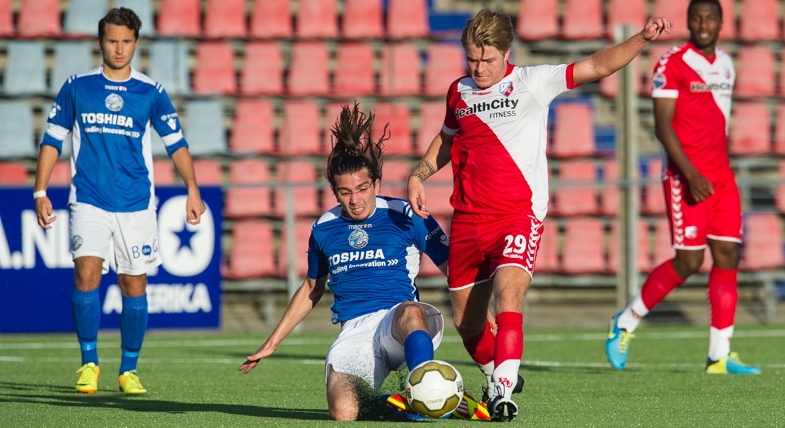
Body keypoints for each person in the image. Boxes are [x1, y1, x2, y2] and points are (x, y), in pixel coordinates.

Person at [407, 9, 674, 422]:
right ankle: (500, 371)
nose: (479, 68)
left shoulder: (532, 81)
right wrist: (418, 175)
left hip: (517, 215)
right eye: (472, 60)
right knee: (467, 321)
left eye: (488, 60)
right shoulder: (457, 92)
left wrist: (641, 37)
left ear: (506, 52)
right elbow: (445, 142)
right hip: (468, 219)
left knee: (509, 295)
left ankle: (501, 392)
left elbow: (598, 65)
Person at [239, 103, 452, 421]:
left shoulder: (406, 214)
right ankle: (408, 405)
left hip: (401, 321)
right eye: (345, 192)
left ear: (376, 184)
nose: (355, 199)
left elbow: (454, 268)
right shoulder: (323, 228)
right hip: (354, 329)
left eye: (363, 188)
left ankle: (424, 381)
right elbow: (312, 287)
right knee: (343, 411)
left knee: (409, 310)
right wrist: (272, 342)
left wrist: (480, 317)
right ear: (335, 193)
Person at [33, 8, 205, 394]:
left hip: (136, 203)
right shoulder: (77, 87)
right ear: (100, 42)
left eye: (126, 41)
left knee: (133, 284)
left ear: (136, 44)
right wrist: (40, 191)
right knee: (86, 273)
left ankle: (128, 370)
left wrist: (192, 188)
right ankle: (88, 363)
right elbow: (52, 140)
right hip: (89, 198)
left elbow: (176, 145)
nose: (119, 48)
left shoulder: (151, 92)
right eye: (112, 40)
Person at [606, 0, 760, 375]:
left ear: (722, 22)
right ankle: (624, 323)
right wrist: (691, 174)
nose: (703, 24)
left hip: (721, 177)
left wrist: (711, 170)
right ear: (689, 22)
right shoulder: (671, 63)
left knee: (727, 256)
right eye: (696, 18)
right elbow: (662, 125)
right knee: (689, 260)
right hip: (685, 176)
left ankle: (718, 357)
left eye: (710, 18)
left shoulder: (726, 63)